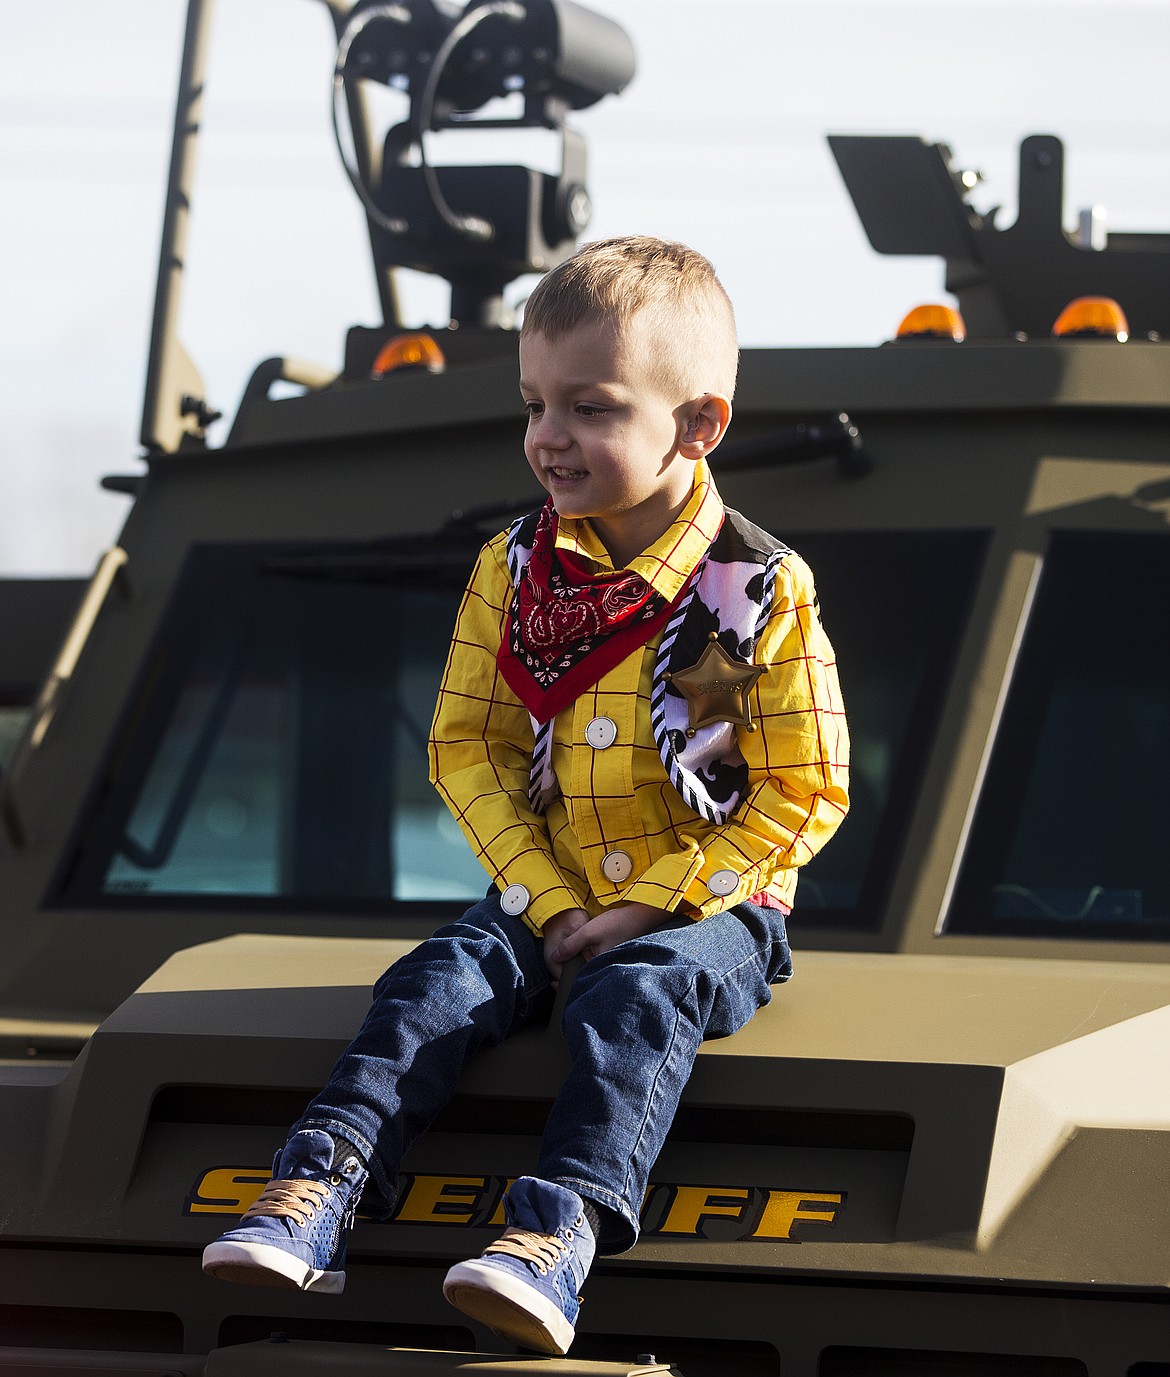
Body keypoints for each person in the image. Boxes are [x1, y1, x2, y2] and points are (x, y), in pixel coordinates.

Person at [201, 235, 850, 1356]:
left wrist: (644, 907)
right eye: (535, 403)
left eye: (591, 408)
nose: (549, 438)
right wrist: (552, 905)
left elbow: (804, 788)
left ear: (698, 425)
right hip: (545, 893)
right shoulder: (516, 569)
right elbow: (467, 747)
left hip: (715, 911)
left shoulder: (756, 589)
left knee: (640, 996)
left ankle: (555, 1239)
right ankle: (319, 1189)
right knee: (434, 980)